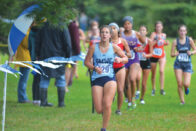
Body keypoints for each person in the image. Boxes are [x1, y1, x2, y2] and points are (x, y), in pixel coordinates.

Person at [84, 25, 128, 131]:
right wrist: (94, 67)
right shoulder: (93, 47)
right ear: (100, 34)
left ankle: (104, 128)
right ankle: (106, 104)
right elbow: (86, 62)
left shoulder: (114, 47)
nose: (104, 34)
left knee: (107, 105)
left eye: (106, 32)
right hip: (97, 79)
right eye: (102, 32)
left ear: (110, 35)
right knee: (99, 109)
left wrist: (120, 60)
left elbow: (126, 58)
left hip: (110, 78)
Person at [36, 22, 72, 107]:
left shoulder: (43, 25)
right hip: (59, 56)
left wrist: (38, 54)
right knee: (60, 79)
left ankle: (43, 102)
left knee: (44, 79)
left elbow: (37, 41)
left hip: (45, 55)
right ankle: (61, 103)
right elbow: (67, 43)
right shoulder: (62, 26)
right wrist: (68, 56)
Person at [121, 16, 145, 110]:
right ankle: (129, 100)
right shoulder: (121, 34)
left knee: (132, 79)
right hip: (124, 60)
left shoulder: (136, 34)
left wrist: (139, 48)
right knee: (125, 83)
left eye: (129, 24)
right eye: (125, 24)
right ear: (123, 25)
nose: (127, 26)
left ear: (132, 24)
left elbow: (144, 43)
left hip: (134, 59)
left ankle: (133, 99)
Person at [109, 22, 131, 115]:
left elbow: (129, 54)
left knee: (120, 89)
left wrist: (122, 56)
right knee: (110, 89)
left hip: (120, 67)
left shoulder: (122, 41)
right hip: (109, 68)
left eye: (114, 28)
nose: (112, 29)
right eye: (110, 28)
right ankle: (108, 106)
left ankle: (118, 109)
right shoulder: (107, 42)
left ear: (118, 30)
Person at [171, 25, 196, 105]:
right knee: (179, 83)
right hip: (178, 64)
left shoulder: (189, 40)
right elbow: (171, 54)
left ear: (186, 32)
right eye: (181, 31)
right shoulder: (175, 41)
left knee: (186, 84)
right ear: (178, 32)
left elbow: (195, 50)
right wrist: (175, 54)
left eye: (184, 31)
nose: (182, 32)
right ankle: (182, 101)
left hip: (187, 65)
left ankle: (186, 88)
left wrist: (191, 52)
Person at [150, 21, 169, 96]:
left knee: (161, 71)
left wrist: (166, 43)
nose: (158, 28)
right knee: (153, 73)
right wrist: (156, 40)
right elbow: (150, 44)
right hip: (154, 55)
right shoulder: (153, 34)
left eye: (160, 26)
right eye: (157, 26)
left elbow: (163, 43)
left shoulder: (164, 35)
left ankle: (162, 89)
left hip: (162, 55)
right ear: (155, 27)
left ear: (162, 27)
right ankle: (153, 89)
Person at [136, 25, 153, 104]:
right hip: (137, 62)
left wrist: (146, 55)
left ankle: (142, 98)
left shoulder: (149, 41)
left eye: (144, 30)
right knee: (137, 78)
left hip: (146, 62)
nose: (142, 31)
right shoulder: (136, 40)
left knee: (144, 83)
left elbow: (151, 53)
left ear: (146, 32)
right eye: (141, 30)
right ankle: (138, 90)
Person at [15, 28, 31, 103]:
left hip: (23, 58)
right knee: (23, 80)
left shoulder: (23, 31)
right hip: (25, 59)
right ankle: (22, 98)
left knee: (23, 79)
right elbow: (27, 45)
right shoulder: (26, 32)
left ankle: (22, 97)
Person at [28, 21, 40, 105]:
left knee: (35, 78)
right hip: (39, 57)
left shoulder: (30, 32)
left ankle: (35, 98)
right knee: (39, 78)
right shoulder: (39, 32)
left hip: (33, 57)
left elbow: (29, 47)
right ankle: (38, 99)